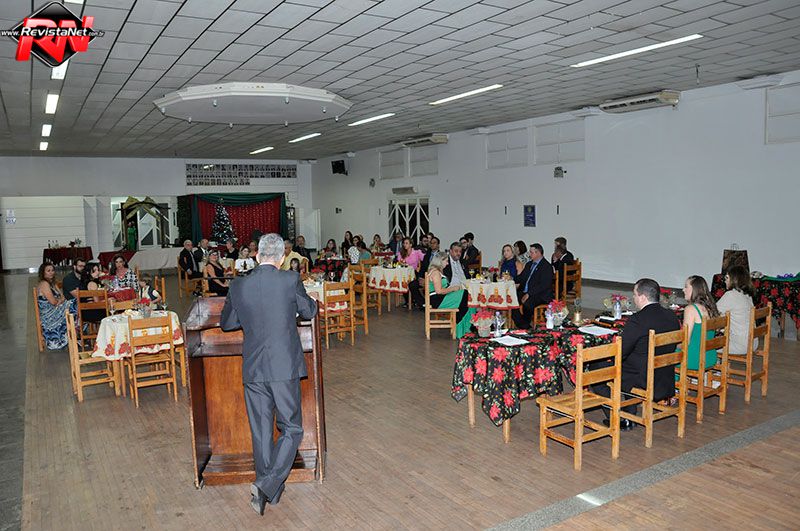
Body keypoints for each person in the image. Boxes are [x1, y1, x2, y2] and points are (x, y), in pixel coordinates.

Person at [220, 233, 317, 514]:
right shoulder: (290, 279)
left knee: (261, 431)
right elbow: (309, 310)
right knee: (292, 428)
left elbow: (227, 323)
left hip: (254, 366)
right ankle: (268, 484)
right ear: (282, 257)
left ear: (257, 255)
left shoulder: (238, 284)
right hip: (283, 365)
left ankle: (268, 494)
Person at [593, 278, 681, 430]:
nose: (633, 298)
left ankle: (616, 418)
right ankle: (629, 415)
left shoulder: (638, 319)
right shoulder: (671, 316)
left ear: (642, 297)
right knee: (633, 360)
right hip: (665, 374)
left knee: (596, 369)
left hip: (643, 377)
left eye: (634, 294)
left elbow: (622, 351)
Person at [427, 252, 475, 338]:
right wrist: (453, 289)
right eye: (446, 261)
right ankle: (461, 326)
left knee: (467, 296)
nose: (447, 263)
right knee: (466, 295)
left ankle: (466, 327)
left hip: (440, 298)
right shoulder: (435, 273)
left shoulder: (435, 271)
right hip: (438, 300)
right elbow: (439, 291)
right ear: (440, 261)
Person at [683, 275, 721, 373]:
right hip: (710, 357)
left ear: (694, 290)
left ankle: (679, 381)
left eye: (686, 287)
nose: (683, 290)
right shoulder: (710, 308)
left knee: (665, 356)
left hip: (694, 359)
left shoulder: (690, 309)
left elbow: (685, 341)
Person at [716, 265, 756, 355]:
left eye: (727, 277)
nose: (725, 280)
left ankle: (712, 360)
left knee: (703, 343)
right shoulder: (747, 295)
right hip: (752, 342)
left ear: (734, 279)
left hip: (740, 345)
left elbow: (712, 313)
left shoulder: (731, 295)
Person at [36, 263, 77, 350]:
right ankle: (73, 335)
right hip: (49, 315)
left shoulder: (52, 283)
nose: (51, 272)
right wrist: (60, 301)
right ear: (43, 272)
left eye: (52, 270)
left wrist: (60, 301)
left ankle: (74, 335)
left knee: (75, 304)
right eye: (48, 271)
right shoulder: (44, 284)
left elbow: (63, 297)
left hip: (56, 309)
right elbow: (53, 302)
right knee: (75, 303)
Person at [512, 243, 553, 329]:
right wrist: (511, 278)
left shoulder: (546, 266)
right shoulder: (529, 264)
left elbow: (544, 285)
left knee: (527, 303)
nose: (529, 254)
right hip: (526, 292)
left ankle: (524, 324)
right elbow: (521, 277)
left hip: (540, 294)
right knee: (511, 300)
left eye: (531, 252)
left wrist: (529, 293)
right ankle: (523, 325)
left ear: (538, 253)